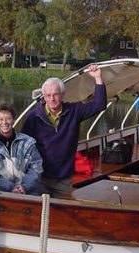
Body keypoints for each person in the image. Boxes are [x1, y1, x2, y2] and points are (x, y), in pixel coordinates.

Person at [21, 64, 107, 197]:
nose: (52, 99)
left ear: (62, 95)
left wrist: (98, 78)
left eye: (55, 94)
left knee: (64, 214)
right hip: (40, 178)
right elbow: (22, 145)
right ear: (43, 97)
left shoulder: (74, 111)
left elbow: (99, 105)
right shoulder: (34, 117)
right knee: (40, 214)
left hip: (64, 179)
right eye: (48, 95)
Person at [0, 103, 43, 195]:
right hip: (0, 192)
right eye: (1, 119)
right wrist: (11, 187)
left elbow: (36, 170)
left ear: (14, 120)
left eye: (8, 119)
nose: (4, 122)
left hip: (27, 192)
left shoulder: (29, 143)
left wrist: (24, 187)